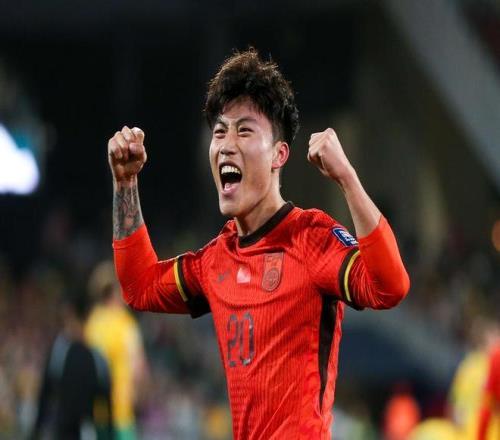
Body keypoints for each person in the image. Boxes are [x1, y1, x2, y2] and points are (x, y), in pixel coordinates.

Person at [107, 48, 410, 439]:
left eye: (244, 130)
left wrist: (347, 178)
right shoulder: (215, 261)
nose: (226, 144)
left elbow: (390, 286)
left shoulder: (311, 238)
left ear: (278, 155)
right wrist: (125, 183)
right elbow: (139, 285)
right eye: (220, 132)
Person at [31, 291, 112, 440]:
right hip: (76, 430)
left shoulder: (60, 352)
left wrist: (35, 432)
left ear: (71, 316)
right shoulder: (96, 357)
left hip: (72, 430)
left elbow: (45, 396)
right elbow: (107, 404)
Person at [85, 260, 148, 440]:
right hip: (121, 412)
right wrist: (141, 397)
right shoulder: (125, 323)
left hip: (97, 411)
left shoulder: (91, 323)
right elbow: (138, 368)